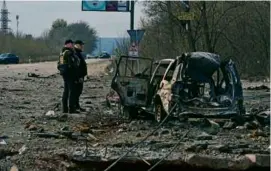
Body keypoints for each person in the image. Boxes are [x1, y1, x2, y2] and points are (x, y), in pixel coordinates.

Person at [57, 39, 80, 113]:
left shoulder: (62, 53)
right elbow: (73, 64)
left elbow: (59, 64)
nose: (72, 45)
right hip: (70, 74)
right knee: (72, 91)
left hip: (64, 73)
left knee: (66, 91)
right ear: (67, 44)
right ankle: (71, 109)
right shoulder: (68, 53)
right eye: (71, 44)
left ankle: (65, 109)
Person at [74, 40, 87, 112]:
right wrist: (79, 77)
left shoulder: (79, 53)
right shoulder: (76, 53)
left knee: (78, 92)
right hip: (78, 77)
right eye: (81, 45)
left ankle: (77, 106)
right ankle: (75, 106)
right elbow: (77, 67)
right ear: (77, 45)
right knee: (76, 92)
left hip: (81, 76)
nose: (83, 46)